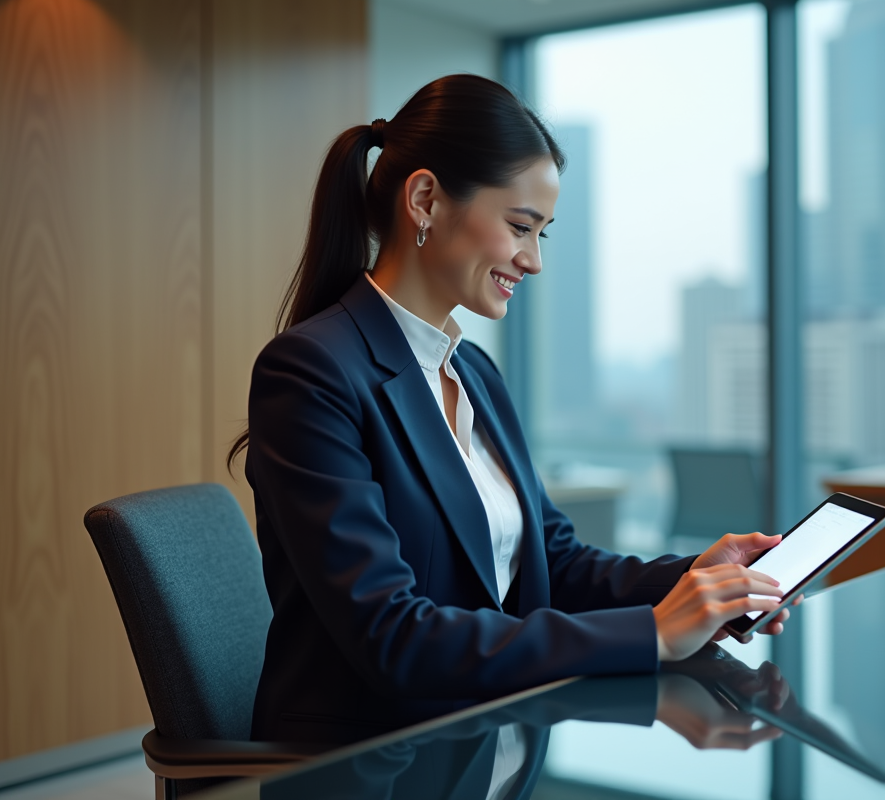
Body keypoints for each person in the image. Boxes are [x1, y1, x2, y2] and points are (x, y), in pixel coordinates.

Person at [233, 74, 797, 745]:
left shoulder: (473, 372)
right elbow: (391, 635)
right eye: (520, 227)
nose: (532, 261)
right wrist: (650, 633)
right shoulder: (311, 372)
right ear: (424, 200)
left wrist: (692, 580)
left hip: (484, 738)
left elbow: (552, 562)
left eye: (544, 235)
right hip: (372, 760)